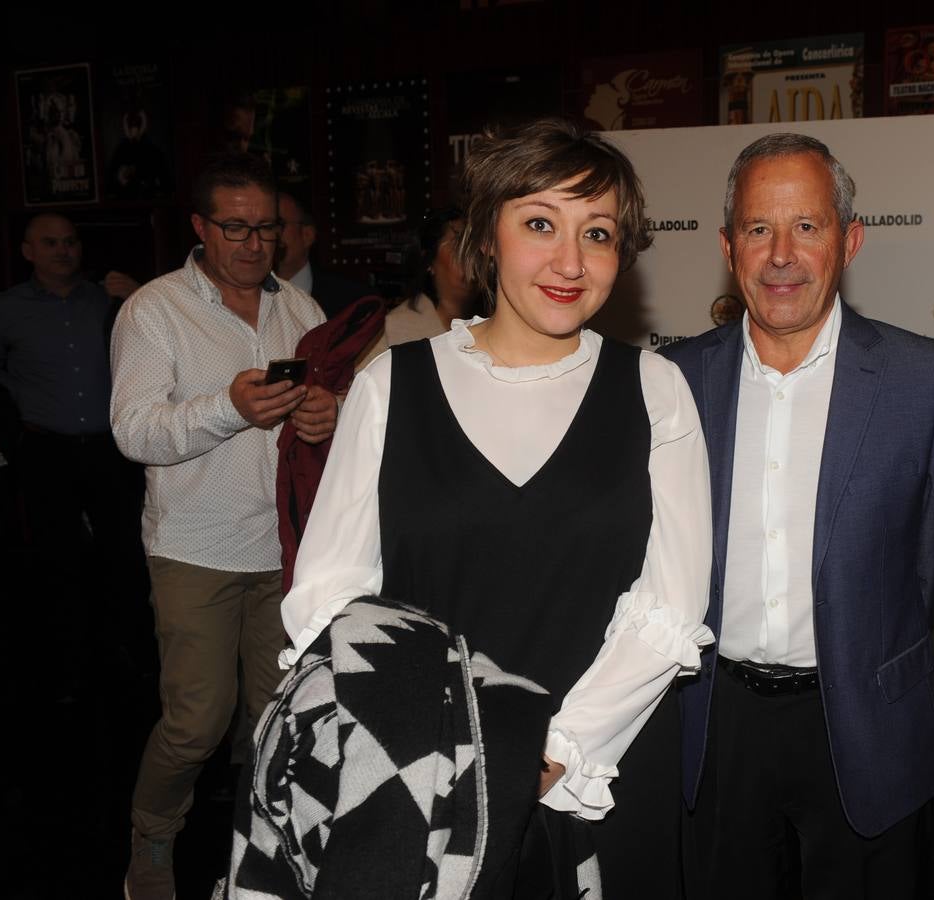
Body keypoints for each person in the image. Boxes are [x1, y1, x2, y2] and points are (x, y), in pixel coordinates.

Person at [281, 118, 711, 898]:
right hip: (426, 769)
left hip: (598, 761)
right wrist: (439, 741)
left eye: (600, 233)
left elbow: (672, 602)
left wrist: (553, 751)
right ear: (486, 237)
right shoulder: (391, 384)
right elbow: (329, 593)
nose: (570, 262)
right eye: (540, 224)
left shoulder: (656, 390)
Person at [662, 133, 934, 898]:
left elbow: (932, 564)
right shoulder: (669, 382)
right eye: (758, 229)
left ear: (849, 239)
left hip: (863, 723)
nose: (781, 254)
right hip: (713, 723)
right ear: (727, 244)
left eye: (807, 226)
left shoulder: (928, 382)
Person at [111, 153, 337, 900]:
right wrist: (227, 408)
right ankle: (152, 837)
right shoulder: (155, 309)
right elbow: (134, 431)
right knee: (194, 723)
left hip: (281, 546)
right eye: (235, 227)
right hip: (194, 549)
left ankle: (262, 840)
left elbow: (320, 426)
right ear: (201, 227)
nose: (252, 244)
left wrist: (320, 417)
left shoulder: (300, 312)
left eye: (266, 228)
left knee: (273, 717)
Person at [0, 212, 148, 700]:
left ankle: (136, 658)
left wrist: (141, 296)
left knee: (126, 556)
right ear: (27, 251)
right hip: (44, 449)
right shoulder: (3, 308)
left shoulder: (112, 297)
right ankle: (69, 670)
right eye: (51, 242)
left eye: (71, 241)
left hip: (111, 447)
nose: (63, 250)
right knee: (56, 561)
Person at [356, 203, 481, 368]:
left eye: (473, 246)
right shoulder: (394, 328)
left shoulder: (496, 320)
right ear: (429, 261)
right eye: (458, 243)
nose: (470, 256)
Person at [274, 187, 373, 319]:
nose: (267, 234)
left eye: (276, 224)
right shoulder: (242, 299)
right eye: (261, 226)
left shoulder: (355, 300)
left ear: (307, 235)